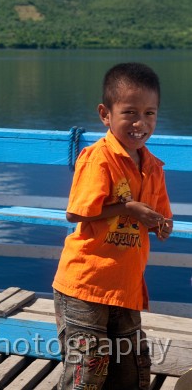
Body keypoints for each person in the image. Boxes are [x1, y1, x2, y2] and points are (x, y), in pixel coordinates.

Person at [52, 62, 173, 390]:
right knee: (88, 370)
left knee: (131, 369)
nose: (140, 123)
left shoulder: (153, 167)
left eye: (150, 113)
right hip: (86, 284)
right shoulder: (99, 158)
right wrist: (129, 208)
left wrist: (161, 225)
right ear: (106, 114)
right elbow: (76, 213)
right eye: (130, 112)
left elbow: (159, 215)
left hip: (125, 286)